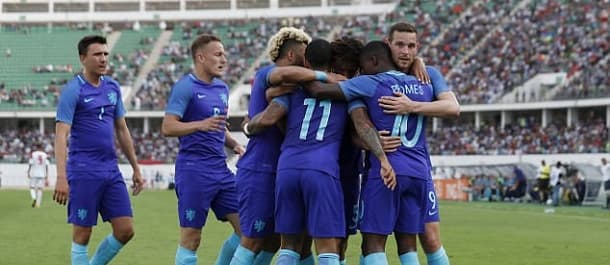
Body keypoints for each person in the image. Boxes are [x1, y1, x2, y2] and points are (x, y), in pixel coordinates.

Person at [245, 39, 396, 265]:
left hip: (289, 167)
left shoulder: (294, 89)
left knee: (290, 247)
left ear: (307, 61)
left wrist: (248, 125)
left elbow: (268, 118)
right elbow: (362, 127)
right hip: (324, 171)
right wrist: (379, 152)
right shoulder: (349, 94)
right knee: (329, 249)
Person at [301, 40, 444, 265]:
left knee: (372, 245)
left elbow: (318, 91)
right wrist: (417, 62)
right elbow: (451, 106)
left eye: (360, 67)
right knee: (408, 245)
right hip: (418, 172)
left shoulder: (369, 83)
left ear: (373, 62)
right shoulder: (423, 85)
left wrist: (314, 73)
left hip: (386, 170)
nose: (358, 73)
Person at [230, 27, 336, 265]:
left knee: (279, 242)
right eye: (303, 54)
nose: (308, 60)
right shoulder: (272, 73)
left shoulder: (295, 84)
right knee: (253, 240)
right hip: (260, 168)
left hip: (279, 169)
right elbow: (267, 117)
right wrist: (323, 76)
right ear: (290, 57)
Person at [54, 35, 145, 265]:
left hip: (110, 170)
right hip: (83, 170)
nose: (103, 59)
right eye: (97, 54)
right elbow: (61, 135)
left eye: (105, 54)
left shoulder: (113, 87)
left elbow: (122, 130)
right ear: (83, 58)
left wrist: (136, 167)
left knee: (125, 230)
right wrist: (61, 177)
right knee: (82, 234)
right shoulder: (73, 90)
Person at [379, 22, 459, 265]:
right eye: (400, 44)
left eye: (411, 46)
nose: (406, 51)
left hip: (418, 170)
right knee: (381, 240)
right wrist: (367, 139)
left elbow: (452, 107)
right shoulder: (373, 73)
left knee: (430, 238)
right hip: (383, 170)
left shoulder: (428, 74)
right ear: (387, 44)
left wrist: (411, 106)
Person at [161, 34, 245, 265]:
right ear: (201, 57)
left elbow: (217, 125)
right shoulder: (185, 87)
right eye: (218, 54)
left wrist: (234, 144)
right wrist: (200, 124)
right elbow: (167, 127)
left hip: (220, 168)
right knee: (192, 238)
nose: (224, 60)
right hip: (193, 170)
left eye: (224, 54)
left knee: (247, 231)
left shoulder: (222, 88)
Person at [27, 142, 49, 208]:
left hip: (34, 173)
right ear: (41, 147)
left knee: (32, 187)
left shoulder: (33, 154)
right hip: (42, 173)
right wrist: (47, 174)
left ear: (36, 147)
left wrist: (28, 172)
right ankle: (38, 204)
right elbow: (47, 165)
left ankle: (34, 197)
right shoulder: (45, 155)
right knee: (40, 189)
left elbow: (30, 163)